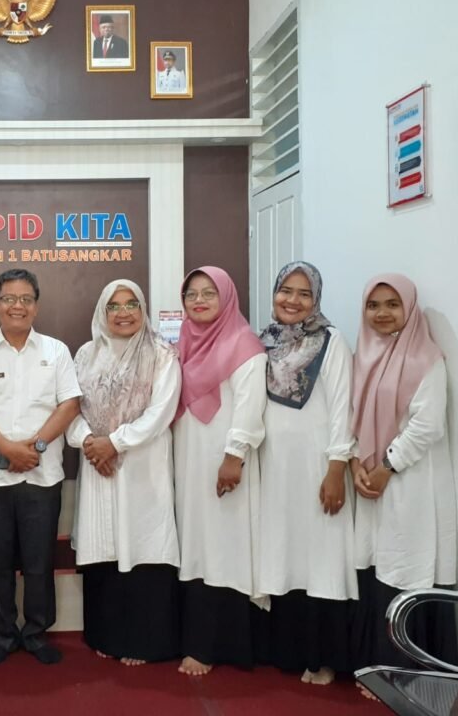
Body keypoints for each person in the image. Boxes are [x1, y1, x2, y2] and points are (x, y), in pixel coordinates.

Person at [0, 268, 81, 666]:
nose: (18, 306)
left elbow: (69, 405)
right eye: (9, 299)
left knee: (39, 560)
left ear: (36, 306)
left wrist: (37, 447)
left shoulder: (56, 351)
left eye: (26, 299)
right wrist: (9, 449)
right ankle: (4, 633)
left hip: (43, 476)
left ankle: (37, 632)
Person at [67, 280, 182, 666]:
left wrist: (113, 443)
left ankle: (145, 642)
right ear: (102, 311)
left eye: (132, 304)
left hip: (142, 467)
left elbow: (161, 413)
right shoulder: (86, 354)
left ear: (143, 309)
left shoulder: (161, 354)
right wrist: (89, 442)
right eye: (113, 306)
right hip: (97, 467)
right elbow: (69, 409)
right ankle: (107, 635)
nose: (123, 313)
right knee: (105, 547)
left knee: (144, 547)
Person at [350, 275, 457, 678]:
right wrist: (356, 463)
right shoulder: (364, 355)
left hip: (409, 479)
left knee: (406, 567)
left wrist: (386, 467)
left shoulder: (427, 359)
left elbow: (427, 425)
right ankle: (374, 666)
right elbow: (352, 415)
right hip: (370, 478)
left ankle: (405, 672)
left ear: (409, 307)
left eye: (392, 304)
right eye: (373, 304)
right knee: (376, 567)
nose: (382, 313)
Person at [255, 262, 357, 686]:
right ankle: (288, 651)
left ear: (316, 299)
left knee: (321, 556)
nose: (292, 301)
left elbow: (343, 409)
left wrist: (336, 468)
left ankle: (324, 657)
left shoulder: (332, 342)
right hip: (275, 465)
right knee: (283, 551)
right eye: (286, 291)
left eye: (304, 293)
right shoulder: (265, 341)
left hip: (317, 464)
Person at [173, 266, 267, 676]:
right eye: (191, 294)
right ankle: (198, 639)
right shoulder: (184, 342)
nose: (199, 301)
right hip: (190, 460)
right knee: (198, 544)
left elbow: (250, 406)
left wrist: (234, 456)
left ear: (226, 297)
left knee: (226, 543)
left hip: (226, 463)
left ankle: (218, 645)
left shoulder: (244, 344)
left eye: (209, 293)